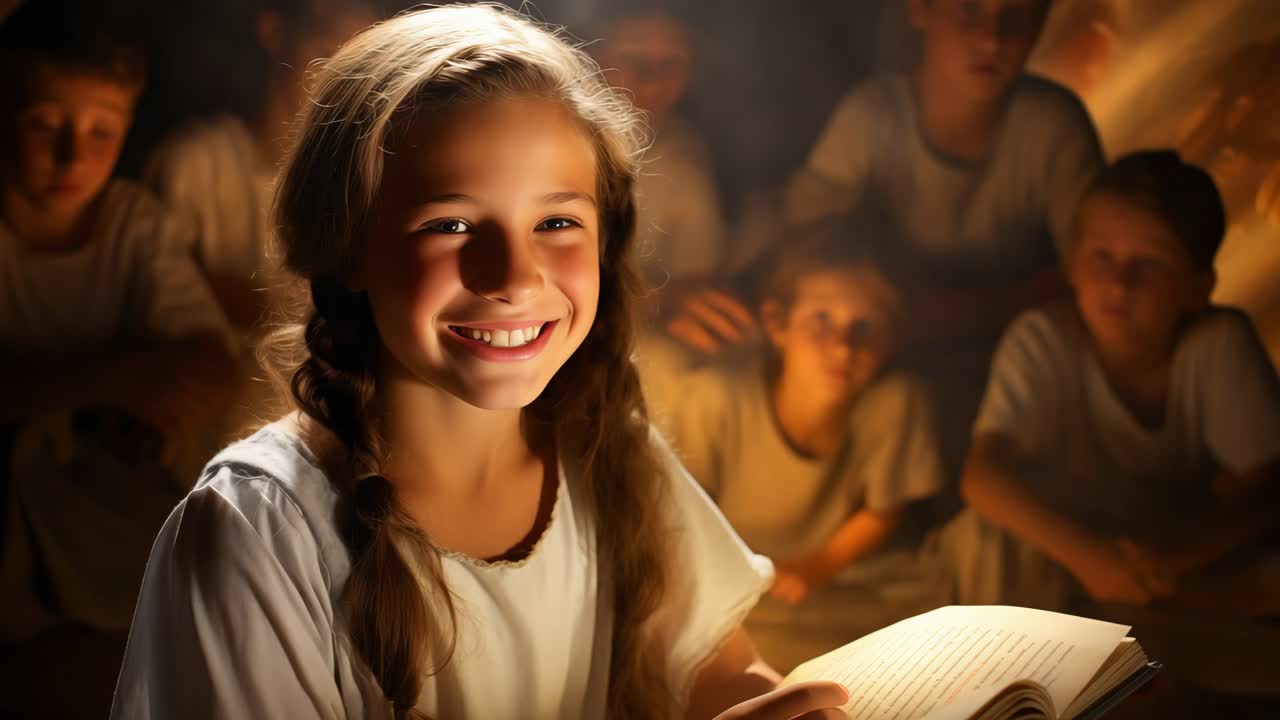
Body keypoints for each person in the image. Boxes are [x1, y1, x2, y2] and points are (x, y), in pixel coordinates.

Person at [110, 6, 849, 719]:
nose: (514, 277)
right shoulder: (258, 533)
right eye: (451, 223)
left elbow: (717, 670)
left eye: (556, 222)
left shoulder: (609, 454)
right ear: (347, 247)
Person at [674, 0, 1106, 509]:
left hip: (1005, 355)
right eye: (969, 11)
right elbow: (807, 236)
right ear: (920, 10)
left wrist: (951, 313)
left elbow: (1096, 268)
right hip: (882, 342)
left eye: (1014, 19)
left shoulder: (1051, 126)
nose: (990, 40)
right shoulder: (875, 117)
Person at [0, 2, 236, 714]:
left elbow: (211, 360)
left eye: (102, 131)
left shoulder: (130, 222)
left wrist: (161, 402)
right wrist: (118, 377)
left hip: (102, 486)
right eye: (47, 125)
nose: (76, 154)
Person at [943, 150, 1280, 615]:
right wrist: (1091, 558)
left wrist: (1171, 558)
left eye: (1151, 264)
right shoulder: (1044, 337)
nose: (1119, 283)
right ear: (1071, 265)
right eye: (1102, 256)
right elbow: (982, 476)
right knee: (984, 534)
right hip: (1070, 554)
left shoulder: (1217, 343)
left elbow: (1267, 488)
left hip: (1173, 562)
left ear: (1197, 287)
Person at [658, 215, 945, 671]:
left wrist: (816, 568)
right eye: (822, 319)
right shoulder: (718, 401)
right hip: (743, 598)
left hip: (851, 587)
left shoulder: (896, 404)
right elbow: (683, 516)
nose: (843, 347)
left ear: (893, 336)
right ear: (777, 322)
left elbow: (885, 508)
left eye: (865, 326)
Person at [143, 0, 377, 331]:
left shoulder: (361, 180)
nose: (339, 76)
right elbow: (150, 290)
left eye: (356, 62)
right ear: (275, 31)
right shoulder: (194, 165)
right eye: (326, 50)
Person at [591, 6, 726, 292]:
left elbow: (694, 273)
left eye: (672, 63)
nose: (652, 79)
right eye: (631, 58)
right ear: (592, 57)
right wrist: (657, 300)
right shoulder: (556, 142)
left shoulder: (684, 153)